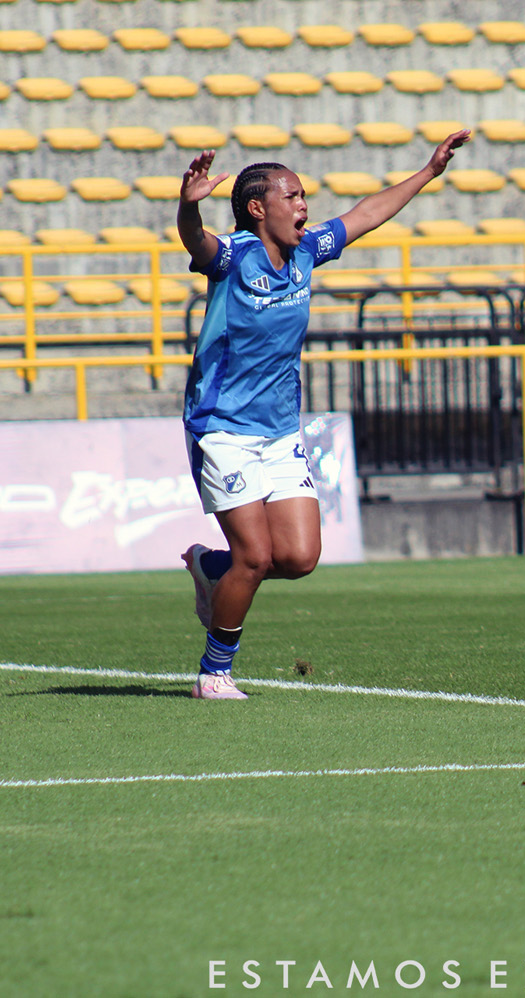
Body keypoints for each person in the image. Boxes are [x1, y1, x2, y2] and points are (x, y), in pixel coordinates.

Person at [176, 129, 470, 699]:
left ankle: (211, 570)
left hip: (279, 429)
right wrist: (188, 207)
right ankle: (214, 673)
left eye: (304, 195)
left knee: (299, 557)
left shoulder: (307, 250)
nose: (304, 206)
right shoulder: (233, 257)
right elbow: (197, 241)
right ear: (257, 208)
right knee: (255, 557)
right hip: (222, 428)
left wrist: (428, 171)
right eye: (292, 196)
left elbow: (367, 213)